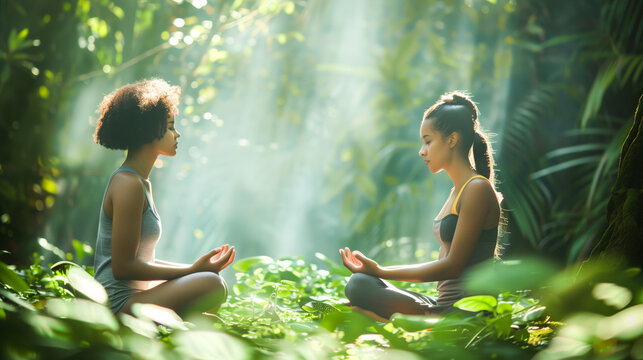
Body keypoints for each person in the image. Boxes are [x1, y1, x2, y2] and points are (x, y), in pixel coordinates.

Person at [340, 91, 501, 321]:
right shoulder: (458, 191)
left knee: (360, 286)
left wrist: (381, 271)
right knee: (360, 283)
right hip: (443, 303)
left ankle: (404, 320)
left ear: (452, 140)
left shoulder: (477, 189)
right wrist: (377, 273)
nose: (422, 151)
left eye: (428, 141)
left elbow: (453, 266)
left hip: (466, 312)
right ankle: (404, 317)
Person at [92, 78, 235, 316]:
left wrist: (195, 269)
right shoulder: (128, 184)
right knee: (211, 285)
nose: (177, 134)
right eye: (170, 127)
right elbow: (123, 268)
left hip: (135, 297)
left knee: (208, 280)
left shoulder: (139, 182)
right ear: (148, 130)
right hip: (117, 305)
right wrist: (192, 271)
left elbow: (142, 262)